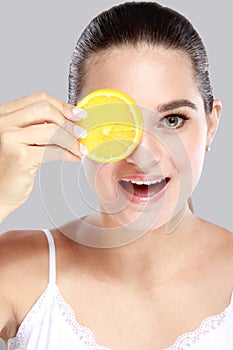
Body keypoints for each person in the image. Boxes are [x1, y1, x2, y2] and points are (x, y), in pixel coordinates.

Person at [0, 2, 232, 349]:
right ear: (72, 126)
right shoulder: (15, 271)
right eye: (114, 122)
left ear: (212, 124)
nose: (144, 155)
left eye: (172, 120)